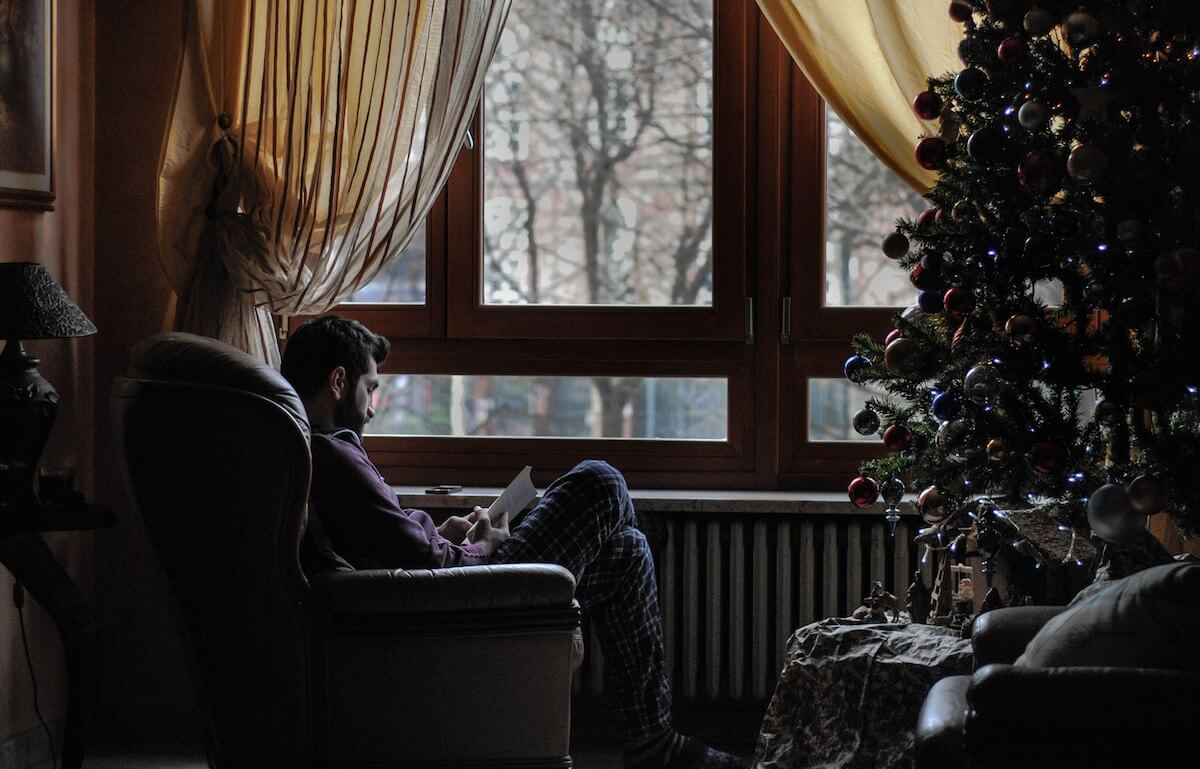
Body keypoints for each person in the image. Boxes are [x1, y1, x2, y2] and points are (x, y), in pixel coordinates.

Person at [280, 315, 749, 769]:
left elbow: (394, 541)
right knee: (599, 480)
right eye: (370, 389)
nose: (372, 407)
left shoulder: (320, 452)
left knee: (628, 552)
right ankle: (657, 746)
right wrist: (485, 546)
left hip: (443, 588)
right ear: (339, 382)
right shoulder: (332, 454)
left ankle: (653, 743)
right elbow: (418, 560)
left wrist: (444, 531)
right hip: (456, 602)